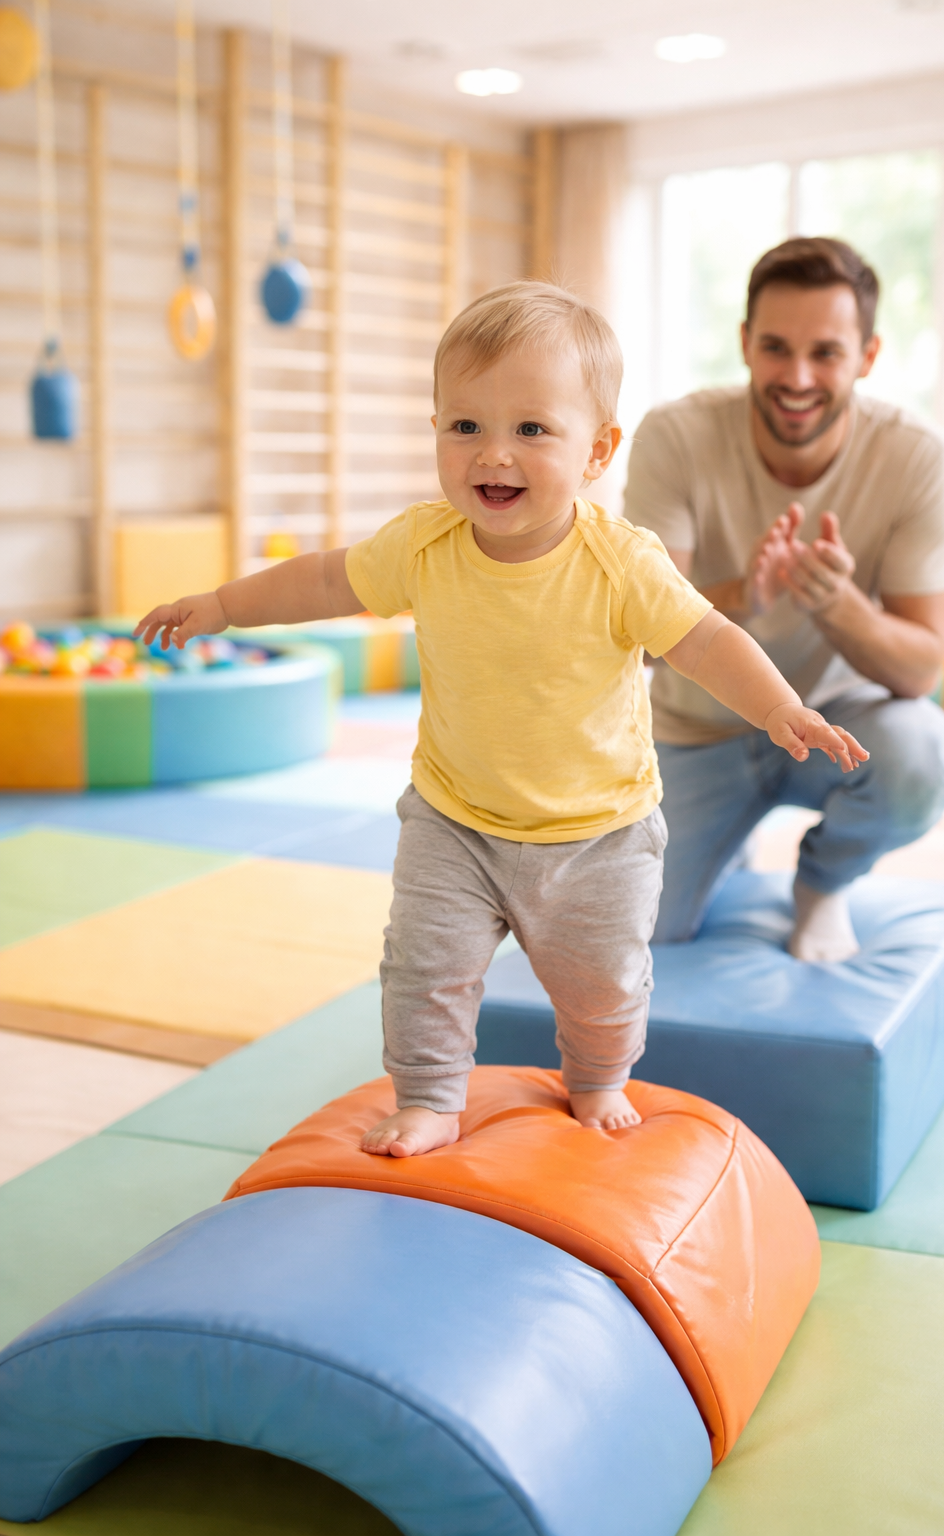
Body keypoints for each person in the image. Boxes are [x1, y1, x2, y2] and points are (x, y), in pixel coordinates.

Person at [135, 281, 866, 1159]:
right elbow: (324, 580)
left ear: (596, 451)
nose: (494, 455)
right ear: (437, 429)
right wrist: (221, 604)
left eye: (531, 429)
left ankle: (597, 1080)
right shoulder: (423, 546)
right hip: (455, 821)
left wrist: (780, 707)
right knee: (425, 968)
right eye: (465, 426)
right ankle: (432, 1095)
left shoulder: (619, 563)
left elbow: (705, 642)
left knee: (603, 989)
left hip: (600, 833)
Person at [624, 237, 944, 964]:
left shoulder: (916, 457)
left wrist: (837, 605)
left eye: (827, 353)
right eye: (775, 347)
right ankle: (727, 836)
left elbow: (921, 672)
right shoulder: (675, 436)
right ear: (744, 343)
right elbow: (638, 638)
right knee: (633, 939)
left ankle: (824, 881)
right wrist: (745, 594)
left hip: (836, 730)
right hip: (696, 731)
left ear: (867, 356)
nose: (798, 376)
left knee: (920, 756)